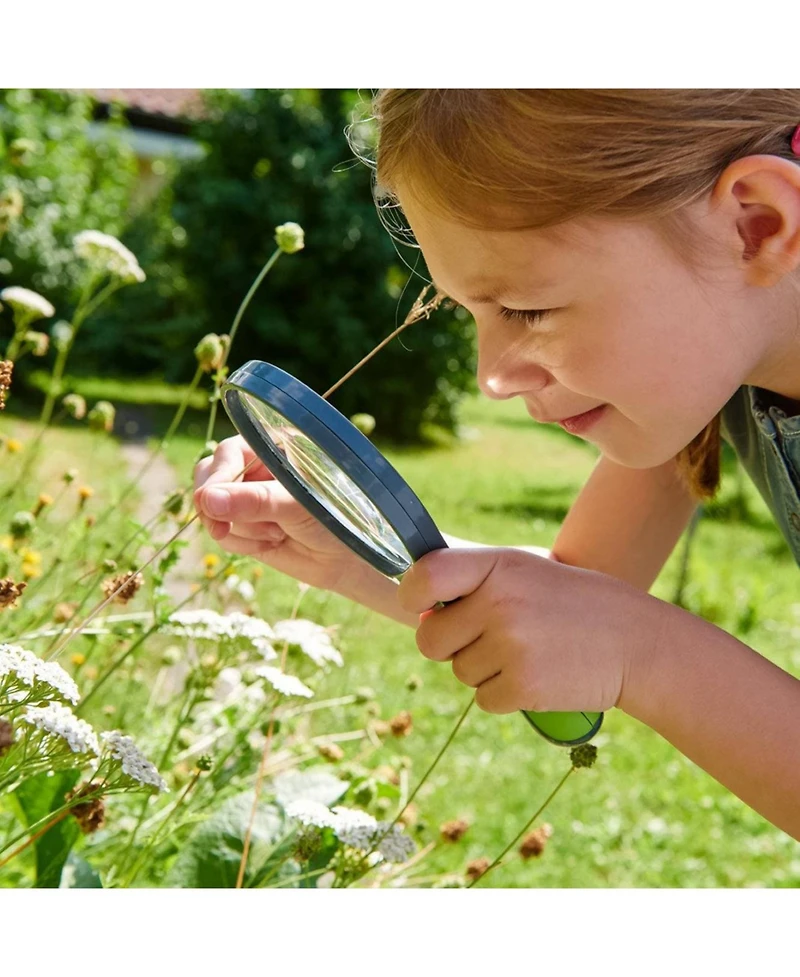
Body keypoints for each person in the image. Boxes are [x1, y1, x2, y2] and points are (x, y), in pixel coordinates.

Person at [194, 90, 800, 840]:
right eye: (470, 311)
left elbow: (612, 625)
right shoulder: (715, 366)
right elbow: (581, 596)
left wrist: (647, 652)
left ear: (758, 224)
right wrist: (361, 552)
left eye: (527, 309)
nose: (491, 377)